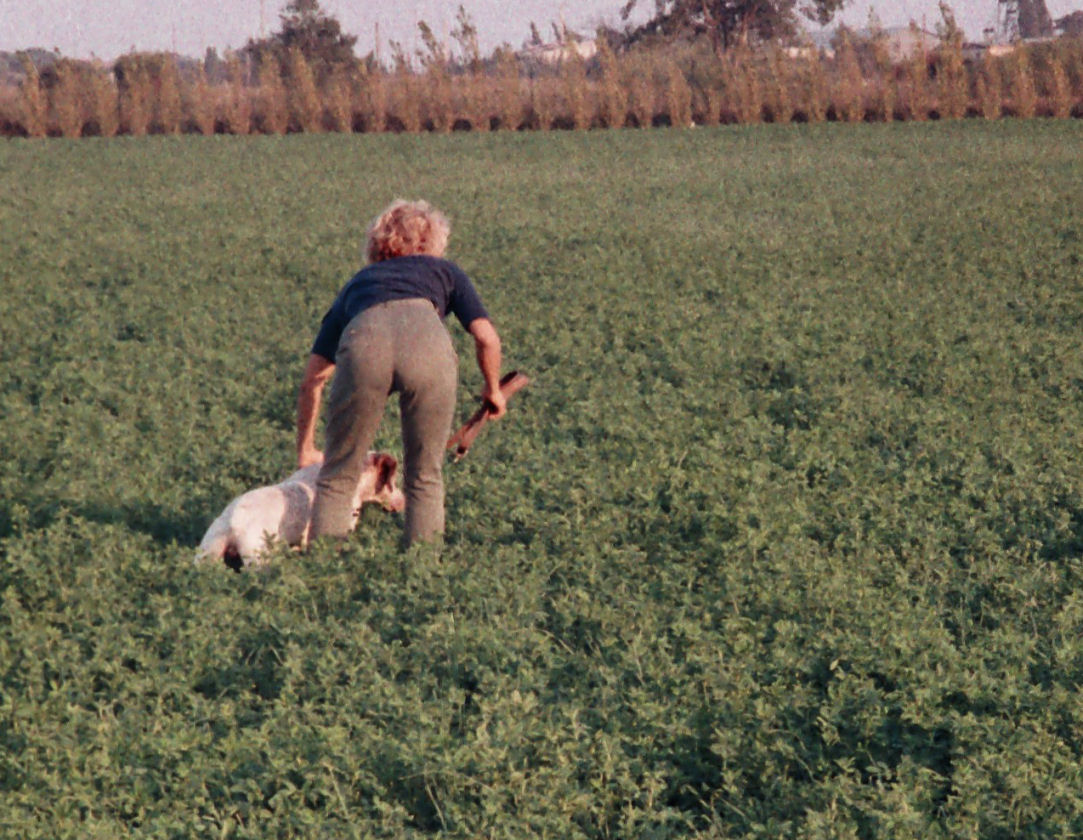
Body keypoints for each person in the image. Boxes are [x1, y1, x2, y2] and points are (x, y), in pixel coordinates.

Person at [296, 199, 505, 548]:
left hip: (366, 345)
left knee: (338, 474)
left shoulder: (357, 283)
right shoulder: (445, 272)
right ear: (433, 242)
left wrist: (306, 447)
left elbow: (313, 379)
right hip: (428, 348)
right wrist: (493, 389)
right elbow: (487, 337)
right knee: (425, 475)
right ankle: (421, 575)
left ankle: (324, 572)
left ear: (378, 243)